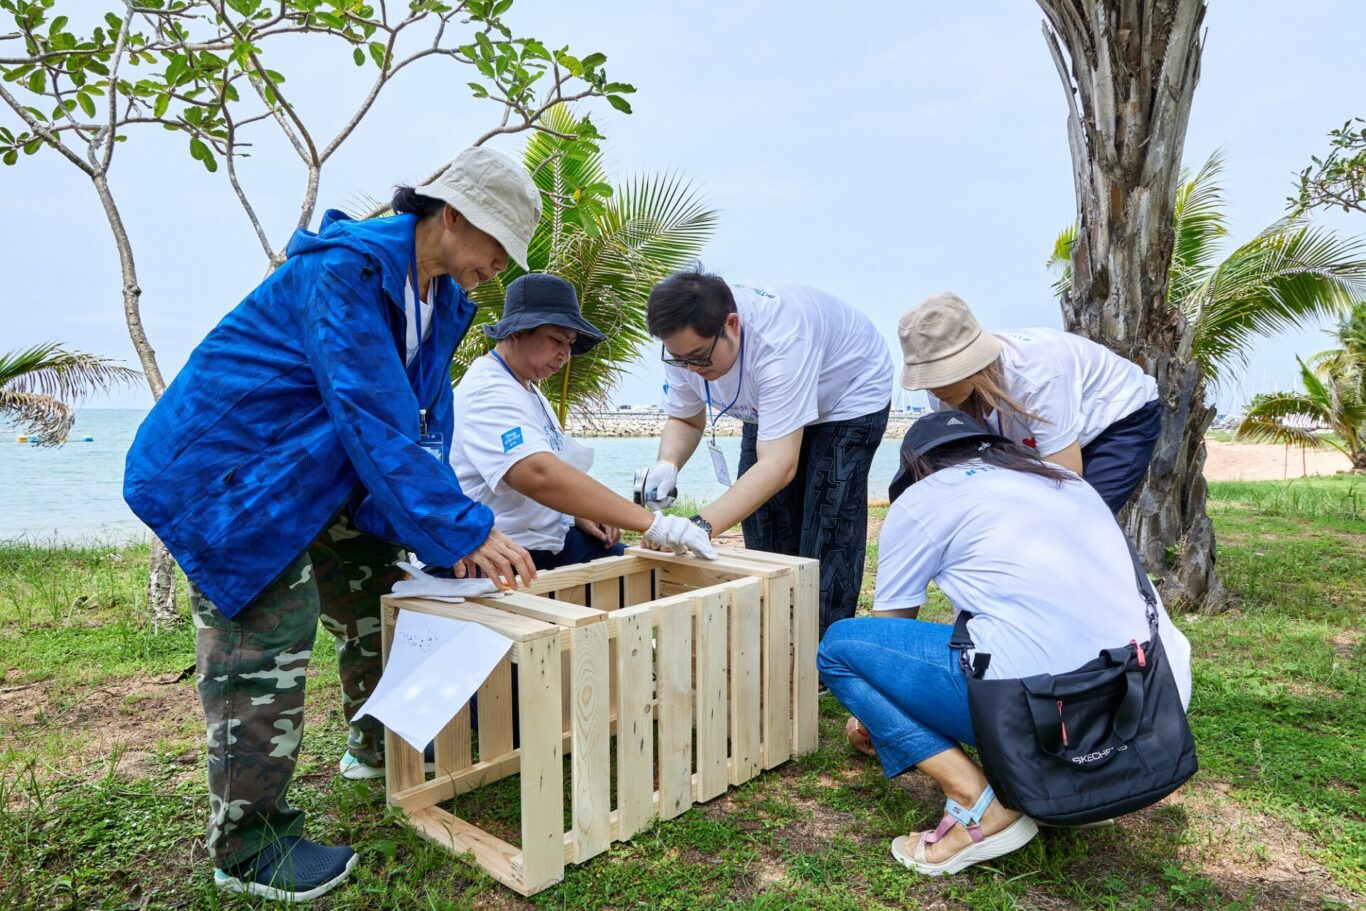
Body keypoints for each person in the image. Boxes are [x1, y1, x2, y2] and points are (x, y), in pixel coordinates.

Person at [123, 147, 544, 902]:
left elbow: (424, 423)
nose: (501, 267)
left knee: (380, 590)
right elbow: (371, 412)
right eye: (499, 245)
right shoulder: (344, 271)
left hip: (317, 471)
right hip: (232, 472)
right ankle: (248, 846)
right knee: (266, 637)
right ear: (453, 216)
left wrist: (433, 533)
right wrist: (465, 528)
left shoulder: (443, 301)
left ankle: (377, 746)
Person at [817, 410, 1192, 876]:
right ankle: (1079, 774)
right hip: (1149, 701)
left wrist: (869, 716)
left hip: (1049, 711)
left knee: (840, 647)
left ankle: (977, 802)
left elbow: (888, 632)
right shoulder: (1064, 480)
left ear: (917, 468)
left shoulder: (923, 498)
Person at [639, 269, 894, 637]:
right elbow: (685, 418)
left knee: (828, 522)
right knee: (764, 522)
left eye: (699, 358)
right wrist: (668, 463)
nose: (691, 369)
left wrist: (700, 526)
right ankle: (777, 633)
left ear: (732, 325)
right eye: (681, 360)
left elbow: (778, 465)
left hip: (848, 394)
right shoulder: (682, 346)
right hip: (767, 402)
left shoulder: (781, 342)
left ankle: (823, 644)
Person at [451, 273, 716, 567]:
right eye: (556, 341)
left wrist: (577, 512)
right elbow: (538, 475)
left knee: (653, 569)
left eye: (570, 344)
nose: (565, 355)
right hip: (506, 552)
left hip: (550, 541)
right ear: (517, 332)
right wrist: (654, 523)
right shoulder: (490, 391)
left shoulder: (526, 388)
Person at [897, 292, 1161, 513]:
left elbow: (1067, 481)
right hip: (1050, 429)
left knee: (1081, 518)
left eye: (941, 376)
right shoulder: (942, 394)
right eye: (928, 379)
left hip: (1118, 420)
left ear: (970, 365)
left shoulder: (1037, 376)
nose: (934, 389)